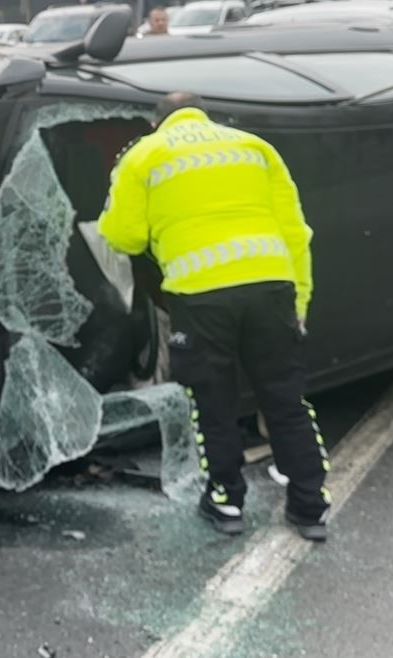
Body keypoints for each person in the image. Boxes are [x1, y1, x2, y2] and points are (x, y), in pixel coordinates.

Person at [97, 92, 330, 542]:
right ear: (206, 116)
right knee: (285, 400)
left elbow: (122, 236)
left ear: (157, 123)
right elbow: (296, 232)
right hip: (271, 287)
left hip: (200, 296)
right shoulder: (254, 148)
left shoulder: (145, 155)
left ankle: (226, 502)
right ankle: (310, 508)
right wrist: (299, 302)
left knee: (213, 402)